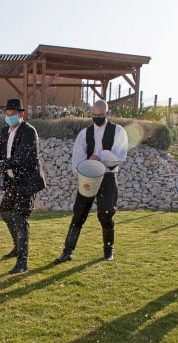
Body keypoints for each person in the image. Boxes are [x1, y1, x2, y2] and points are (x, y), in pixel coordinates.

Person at [54, 99, 128, 264]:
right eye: (94, 115)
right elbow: (77, 159)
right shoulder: (84, 133)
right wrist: (87, 165)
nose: (97, 117)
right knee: (79, 213)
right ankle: (67, 250)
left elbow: (120, 156)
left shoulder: (118, 131)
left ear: (107, 114)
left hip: (108, 177)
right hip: (88, 177)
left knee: (106, 213)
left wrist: (100, 156)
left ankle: (108, 250)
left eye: (100, 115)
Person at [0, 98, 46, 274]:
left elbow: (20, 158)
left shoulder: (29, 132)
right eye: (7, 115)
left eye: (13, 115)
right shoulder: (5, 131)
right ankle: (17, 246)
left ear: (21, 114)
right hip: (13, 181)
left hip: (26, 181)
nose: (9, 117)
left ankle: (22, 261)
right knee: (5, 211)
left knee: (21, 219)